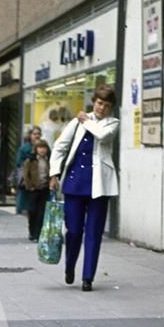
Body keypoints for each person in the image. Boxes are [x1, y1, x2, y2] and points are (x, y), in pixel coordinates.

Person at [49, 84, 119, 290]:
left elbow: (102, 136)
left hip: (100, 185)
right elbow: (60, 146)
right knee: (73, 231)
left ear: (111, 107)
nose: (101, 108)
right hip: (75, 182)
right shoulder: (77, 122)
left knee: (94, 232)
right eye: (99, 103)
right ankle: (69, 266)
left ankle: (88, 277)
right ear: (93, 102)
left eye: (106, 105)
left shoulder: (112, 123)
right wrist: (54, 173)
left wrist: (86, 121)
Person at [23, 138, 51, 242]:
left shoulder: (49, 160)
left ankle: (38, 233)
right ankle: (32, 232)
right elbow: (26, 175)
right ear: (36, 149)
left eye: (44, 147)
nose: (42, 150)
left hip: (44, 189)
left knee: (41, 213)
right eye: (40, 148)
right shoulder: (30, 160)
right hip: (33, 190)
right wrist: (29, 186)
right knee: (32, 211)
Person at [15, 126, 42, 215]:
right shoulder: (25, 148)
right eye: (34, 134)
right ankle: (23, 209)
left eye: (38, 134)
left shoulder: (43, 146)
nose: (37, 136)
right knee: (25, 193)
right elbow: (19, 162)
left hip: (40, 177)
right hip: (28, 176)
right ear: (30, 135)